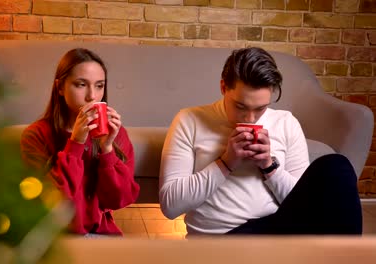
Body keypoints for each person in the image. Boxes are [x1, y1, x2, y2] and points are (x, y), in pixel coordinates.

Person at [159, 47, 362, 236]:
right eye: (240, 106)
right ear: (223, 87)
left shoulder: (286, 123)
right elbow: (171, 205)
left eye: (260, 109)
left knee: (337, 166)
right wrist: (226, 162)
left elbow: (302, 203)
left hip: (273, 230)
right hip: (221, 240)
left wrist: (269, 166)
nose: (250, 118)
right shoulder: (189, 120)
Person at [20, 48, 140, 236]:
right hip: (52, 235)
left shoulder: (116, 135)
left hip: (100, 234)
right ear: (60, 87)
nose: (92, 96)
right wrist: (75, 144)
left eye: (99, 86)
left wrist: (107, 150)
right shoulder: (36, 135)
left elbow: (119, 200)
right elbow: (48, 204)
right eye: (81, 84)